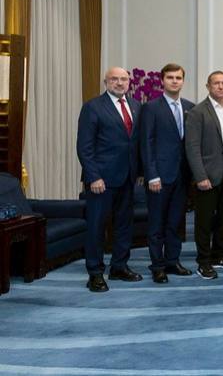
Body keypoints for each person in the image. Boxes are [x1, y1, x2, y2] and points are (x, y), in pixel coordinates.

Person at [77, 66, 143, 292]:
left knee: (124, 225)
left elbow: (135, 143)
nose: (119, 83)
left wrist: (140, 172)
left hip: (127, 178)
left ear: (129, 82)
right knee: (96, 226)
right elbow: (84, 147)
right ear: (106, 82)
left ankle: (119, 266)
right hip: (101, 181)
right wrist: (93, 176)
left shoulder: (135, 106)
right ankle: (95, 273)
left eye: (123, 79)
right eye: (114, 79)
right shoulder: (93, 107)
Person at [139, 63, 195, 283]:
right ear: (162, 80)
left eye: (178, 78)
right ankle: (157, 266)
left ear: (183, 81)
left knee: (175, 223)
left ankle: (173, 261)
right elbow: (146, 143)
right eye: (170, 77)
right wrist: (151, 174)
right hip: (159, 177)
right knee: (157, 224)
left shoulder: (190, 107)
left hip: (182, 176)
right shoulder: (151, 108)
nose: (174, 81)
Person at [185, 71, 223, 279]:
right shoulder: (197, 112)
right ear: (208, 86)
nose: (220, 87)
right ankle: (204, 260)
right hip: (208, 173)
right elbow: (192, 148)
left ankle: (220, 254)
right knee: (204, 220)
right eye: (216, 83)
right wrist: (200, 176)